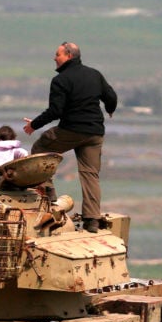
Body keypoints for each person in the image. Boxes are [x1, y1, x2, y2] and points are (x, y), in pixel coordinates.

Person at [23, 42, 117, 232]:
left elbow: (55, 111)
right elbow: (111, 97)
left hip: (71, 130)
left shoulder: (61, 80)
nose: (54, 58)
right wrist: (110, 110)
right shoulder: (94, 74)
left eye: (57, 54)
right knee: (90, 174)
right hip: (94, 133)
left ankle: (48, 195)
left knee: (40, 149)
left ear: (68, 56)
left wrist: (34, 125)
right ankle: (92, 220)